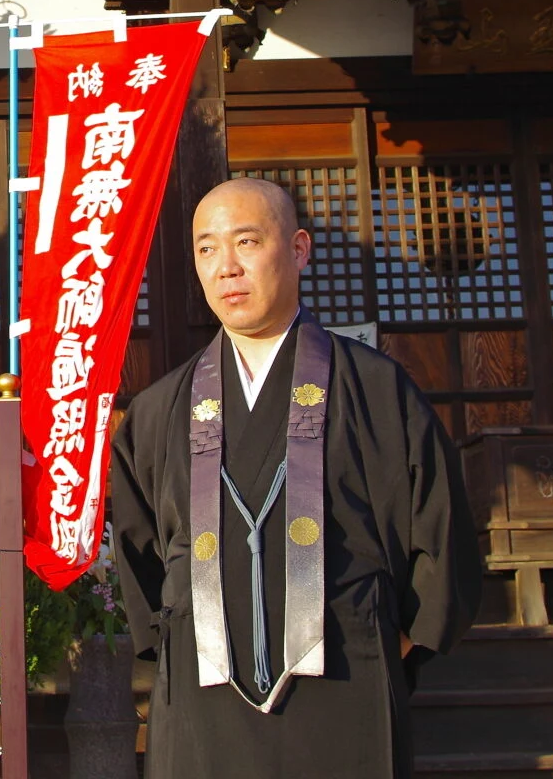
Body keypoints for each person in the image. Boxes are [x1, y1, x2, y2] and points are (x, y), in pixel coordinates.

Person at [111, 177, 481, 776]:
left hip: (346, 683)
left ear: (299, 249)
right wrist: (180, 640)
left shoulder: (378, 390)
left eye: (247, 242)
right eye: (206, 249)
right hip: (204, 702)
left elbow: (440, 534)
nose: (225, 266)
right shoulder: (158, 411)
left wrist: (387, 643)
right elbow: (138, 554)